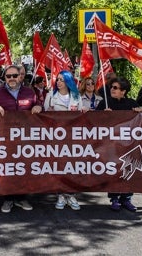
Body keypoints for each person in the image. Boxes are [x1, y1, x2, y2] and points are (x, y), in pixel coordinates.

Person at [0, 64, 42, 212]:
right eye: (8, 76)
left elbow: (38, 104)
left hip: (25, 137)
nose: (11, 79)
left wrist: (39, 107)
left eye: (14, 76)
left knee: (23, 168)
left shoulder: (30, 92)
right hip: (5, 138)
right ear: (4, 77)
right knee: (8, 169)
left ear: (20, 77)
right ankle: (8, 199)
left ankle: (22, 198)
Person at [97, 77, 142, 211]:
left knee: (127, 171)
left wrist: (139, 112)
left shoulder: (131, 103)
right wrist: (101, 115)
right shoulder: (104, 103)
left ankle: (127, 199)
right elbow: (94, 121)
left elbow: (141, 119)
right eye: (112, 87)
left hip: (127, 145)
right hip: (110, 145)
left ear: (124, 91)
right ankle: (114, 198)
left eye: (116, 88)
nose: (112, 90)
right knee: (113, 171)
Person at [43, 70, 84, 210]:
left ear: (68, 81)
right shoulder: (51, 95)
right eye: (57, 80)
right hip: (56, 136)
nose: (58, 82)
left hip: (72, 136)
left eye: (61, 79)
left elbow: (80, 116)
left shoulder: (77, 96)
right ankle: (60, 194)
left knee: (72, 166)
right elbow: (45, 114)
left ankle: (71, 195)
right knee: (59, 165)